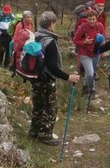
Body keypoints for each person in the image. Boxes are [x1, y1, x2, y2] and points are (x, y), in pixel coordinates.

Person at [30, 11, 80, 145]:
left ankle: (34, 132)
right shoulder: (50, 41)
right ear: (51, 24)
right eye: (55, 23)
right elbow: (52, 67)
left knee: (38, 105)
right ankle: (45, 135)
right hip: (46, 79)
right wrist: (68, 77)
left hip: (35, 77)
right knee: (50, 108)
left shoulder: (36, 36)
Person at [72, 9, 106, 99]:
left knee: (92, 71)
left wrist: (102, 48)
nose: (91, 21)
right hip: (84, 53)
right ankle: (91, 90)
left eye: (93, 19)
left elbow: (104, 37)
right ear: (87, 19)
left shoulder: (100, 26)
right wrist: (84, 42)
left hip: (96, 53)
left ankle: (85, 87)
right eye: (90, 19)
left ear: (96, 19)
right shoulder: (82, 27)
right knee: (90, 73)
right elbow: (75, 40)